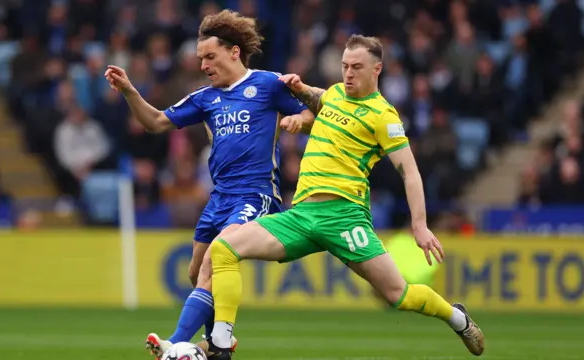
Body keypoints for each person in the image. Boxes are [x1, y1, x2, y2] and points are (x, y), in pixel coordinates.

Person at [205, 34, 485, 360]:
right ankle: (221, 345)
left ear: (377, 69)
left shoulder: (384, 116)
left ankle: (457, 318)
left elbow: (410, 171)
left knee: (398, 295)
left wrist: (419, 226)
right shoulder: (337, 93)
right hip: (301, 216)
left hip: (345, 217)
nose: (348, 73)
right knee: (224, 248)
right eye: (344, 66)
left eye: (356, 67)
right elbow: (320, 97)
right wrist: (300, 89)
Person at [104, 9, 314, 360]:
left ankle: (176, 342)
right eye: (201, 59)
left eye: (210, 57)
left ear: (234, 52)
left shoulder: (268, 84)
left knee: (214, 262)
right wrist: (129, 91)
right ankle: (218, 346)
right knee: (195, 272)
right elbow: (156, 121)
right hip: (219, 198)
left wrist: (297, 119)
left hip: (255, 194)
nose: (203, 65)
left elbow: (312, 110)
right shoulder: (205, 98)